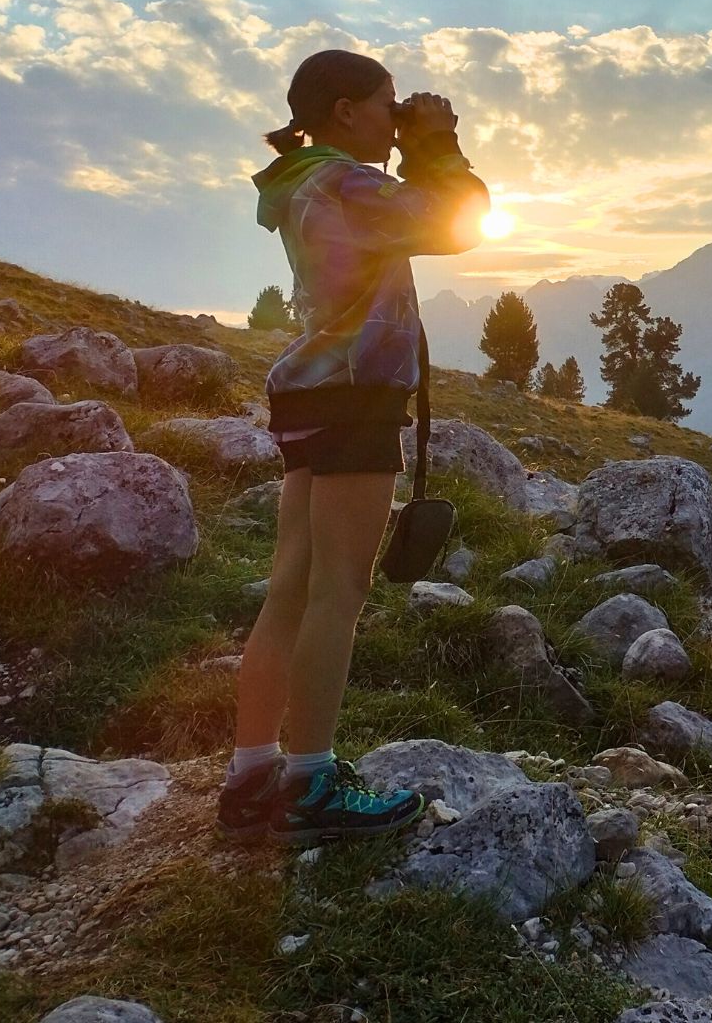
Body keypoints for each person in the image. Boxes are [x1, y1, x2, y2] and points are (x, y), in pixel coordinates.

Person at [217, 49, 490, 843]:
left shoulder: (306, 181)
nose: (393, 116)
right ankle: (310, 784)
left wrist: (404, 141)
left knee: (292, 588)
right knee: (340, 590)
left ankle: (252, 774)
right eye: (387, 104)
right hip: (354, 395)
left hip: (308, 392)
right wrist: (436, 142)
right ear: (344, 111)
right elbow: (458, 221)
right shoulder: (346, 183)